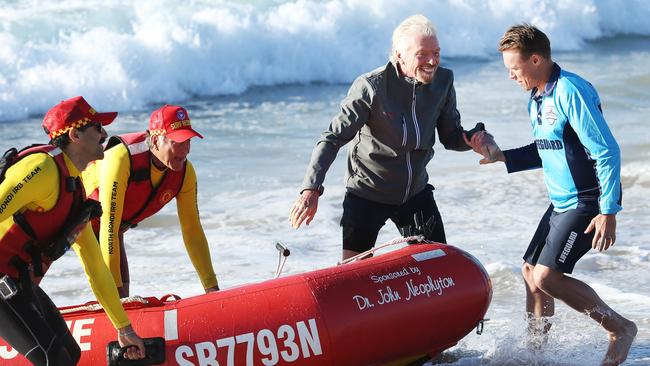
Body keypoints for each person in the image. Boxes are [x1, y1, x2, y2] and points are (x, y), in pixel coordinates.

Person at [473, 24, 637, 365]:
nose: (511, 76)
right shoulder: (536, 97)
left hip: (588, 199)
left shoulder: (570, 91)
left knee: (548, 277)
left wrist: (608, 211)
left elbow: (606, 150)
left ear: (535, 60)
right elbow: (548, 148)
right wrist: (503, 156)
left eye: (514, 68)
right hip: (562, 202)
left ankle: (620, 328)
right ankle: (536, 357)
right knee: (531, 272)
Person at [289, 14, 487, 260]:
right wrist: (311, 189)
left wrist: (474, 138)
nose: (432, 61)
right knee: (355, 275)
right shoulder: (372, 87)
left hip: (415, 194)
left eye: (436, 53)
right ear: (399, 54)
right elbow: (332, 138)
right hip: (367, 194)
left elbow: (451, 136)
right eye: (422, 54)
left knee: (437, 266)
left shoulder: (443, 82)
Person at [0, 96, 145, 365]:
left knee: (71, 354)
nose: (105, 134)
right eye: (98, 128)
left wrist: (124, 329)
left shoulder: (76, 192)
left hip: (18, 281)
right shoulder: (42, 169)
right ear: (75, 134)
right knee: (52, 358)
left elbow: (95, 266)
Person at [82, 104, 219, 298]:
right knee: (119, 299)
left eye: (189, 141)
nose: (186, 150)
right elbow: (108, 229)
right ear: (155, 141)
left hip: (112, 231)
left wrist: (212, 291)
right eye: (178, 142)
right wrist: (117, 302)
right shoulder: (122, 158)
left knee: (124, 299)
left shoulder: (185, 173)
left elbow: (193, 232)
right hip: (74, 223)